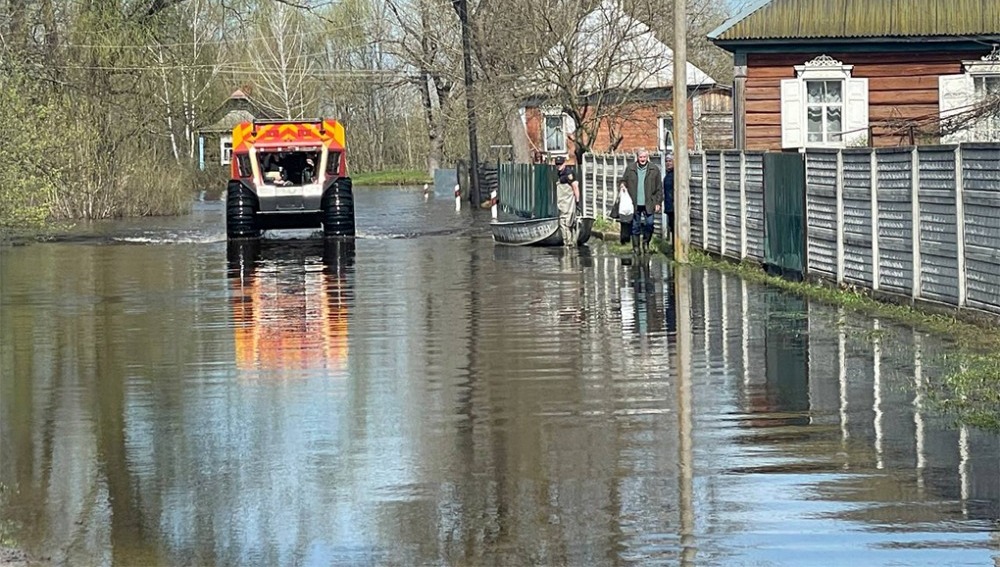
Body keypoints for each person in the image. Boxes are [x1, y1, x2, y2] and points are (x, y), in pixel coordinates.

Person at [619, 149, 662, 254]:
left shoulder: (654, 169)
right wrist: (622, 185)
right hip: (635, 203)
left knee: (650, 224)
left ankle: (646, 242)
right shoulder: (630, 169)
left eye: (644, 157)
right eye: (640, 157)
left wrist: (658, 202)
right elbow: (623, 180)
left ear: (647, 157)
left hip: (649, 202)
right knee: (635, 226)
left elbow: (659, 188)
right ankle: (636, 247)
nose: (642, 159)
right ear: (637, 157)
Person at [554, 156, 580, 246]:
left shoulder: (568, 173)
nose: (558, 166)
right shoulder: (560, 173)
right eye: (557, 164)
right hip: (563, 204)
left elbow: (575, 186)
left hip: (568, 203)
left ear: (564, 163)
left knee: (566, 222)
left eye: (560, 164)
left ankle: (569, 243)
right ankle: (569, 243)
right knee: (564, 222)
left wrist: (577, 200)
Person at [662, 154, 675, 242]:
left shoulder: (676, 174)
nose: (668, 163)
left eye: (670, 161)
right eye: (666, 161)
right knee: (672, 227)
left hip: (675, 207)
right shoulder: (668, 174)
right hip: (669, 206)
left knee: (675, 227)